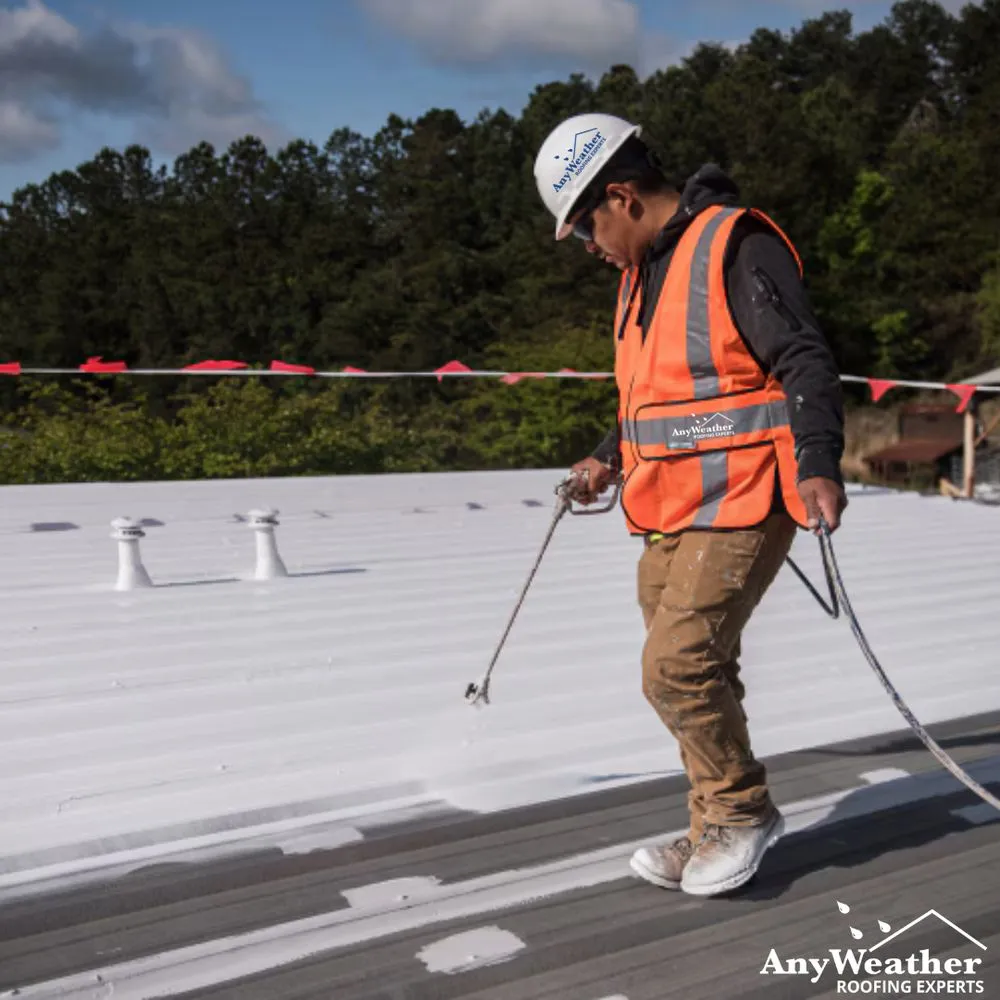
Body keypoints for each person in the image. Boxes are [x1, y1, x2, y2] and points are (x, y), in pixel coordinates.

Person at [533, 113, 847, 897]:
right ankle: (712, 824)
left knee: (675, 667)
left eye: (584, 227)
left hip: (747, 497)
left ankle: (741, 814)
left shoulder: (734, 245)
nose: (587, 246)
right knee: (700, 670)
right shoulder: (641, 274)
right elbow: (662, 396)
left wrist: (818, 461)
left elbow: (803, 355)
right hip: (668, 508)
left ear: (621, 197)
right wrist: (607, 456)